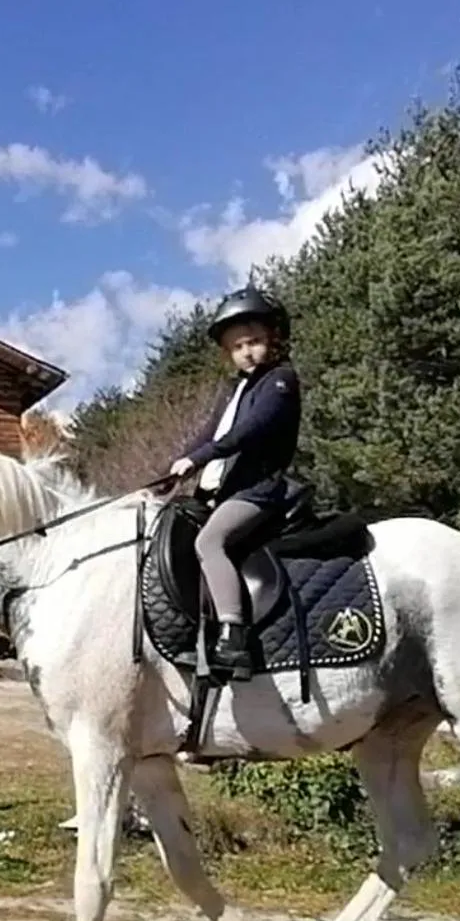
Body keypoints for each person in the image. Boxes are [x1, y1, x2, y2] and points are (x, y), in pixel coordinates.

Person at [167, 285, 303, 680]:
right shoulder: (236, 390)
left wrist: (198, 458)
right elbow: (207, 437)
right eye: (237, 346)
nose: (247, 351)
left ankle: (234, 637)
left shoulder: (280, 381)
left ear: (273, 340)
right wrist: (166, 475)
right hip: (224, 493)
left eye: (255, 341)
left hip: (259, 491)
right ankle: (195, 630)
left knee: (210, 542)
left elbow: (248, 431)